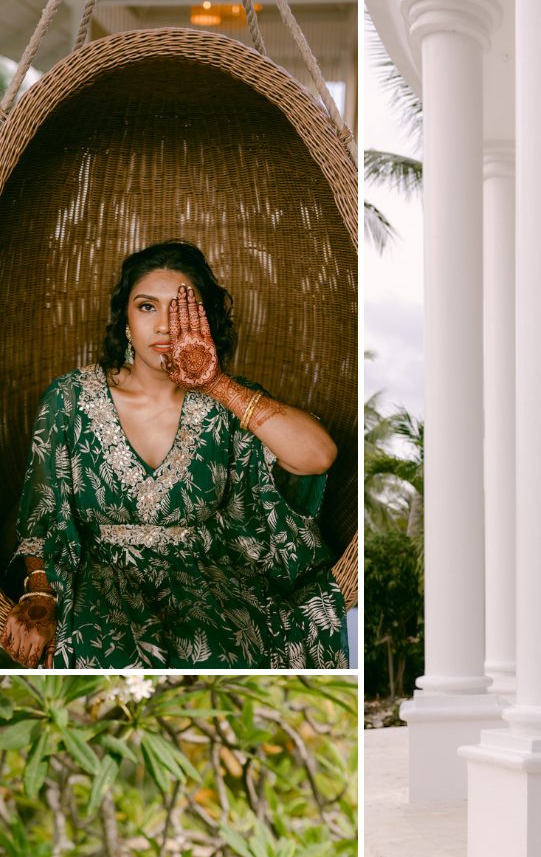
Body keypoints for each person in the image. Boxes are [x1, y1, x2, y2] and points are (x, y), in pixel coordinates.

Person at [0, 240, 348, 669]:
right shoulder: (70, 397)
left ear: (208, 322)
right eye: (147, 307)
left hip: (211, 584)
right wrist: (39, 591)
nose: (165, 326)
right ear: (125, 321)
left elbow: (318, 456)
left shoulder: (225, 401)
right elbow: (43, 516)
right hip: (96, 577)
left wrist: (216, 384)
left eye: (182, 308)